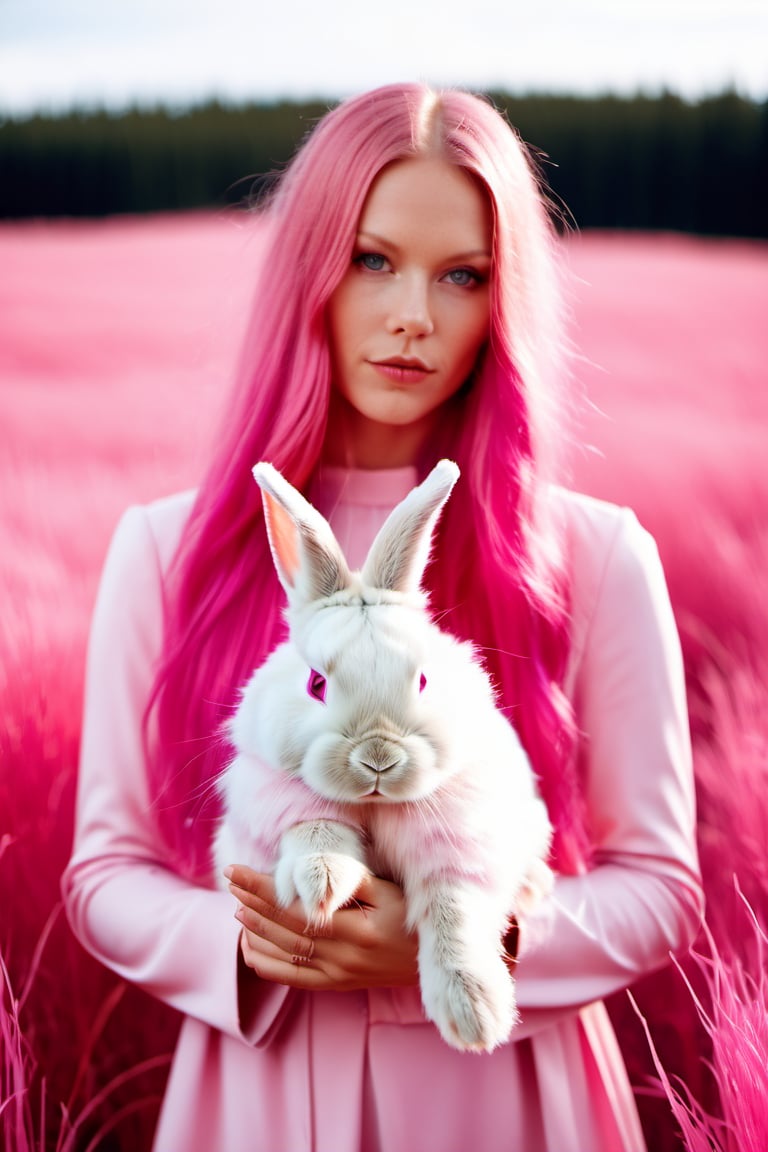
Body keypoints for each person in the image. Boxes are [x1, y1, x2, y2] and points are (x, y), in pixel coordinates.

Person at [62, 83, 703, 1152]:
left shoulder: (592, 557)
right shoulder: (167, 551)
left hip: (510, 1091)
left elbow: (661, 886)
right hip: (255, 1096)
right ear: (309, 266)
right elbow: (104, 871)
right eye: (374, 259)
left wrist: (460, 940)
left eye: (463, 276)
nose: (415, 312)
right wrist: (257, 941)